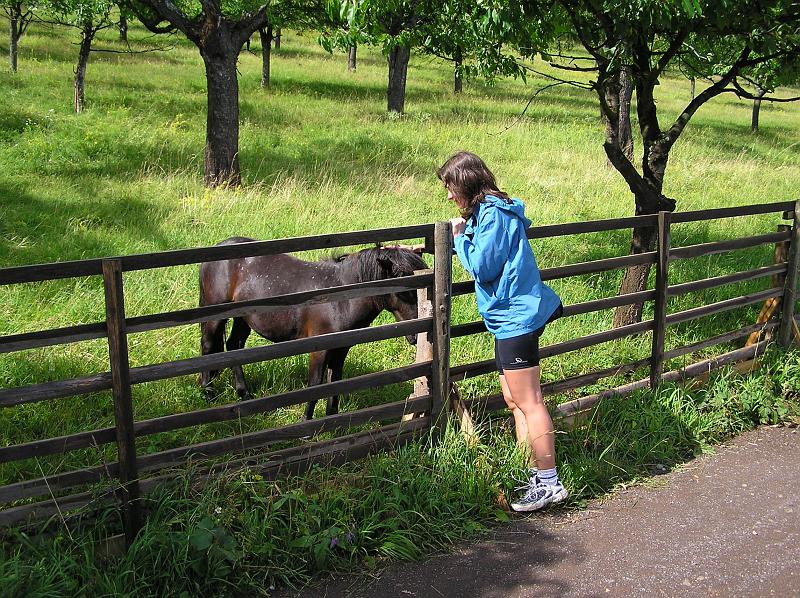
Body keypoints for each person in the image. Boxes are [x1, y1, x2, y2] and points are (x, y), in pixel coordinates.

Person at [438, 151, 567, 512]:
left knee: (530, 401)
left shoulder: (493, 215)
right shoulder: (491, 212)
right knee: (514, 399)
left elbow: (483, 265)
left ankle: (550, 482)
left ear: (466, 183)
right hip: (508, 316)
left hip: (515, 316)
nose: (449, 196)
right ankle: (535, 473)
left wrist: (459, 238)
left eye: (450, 188)